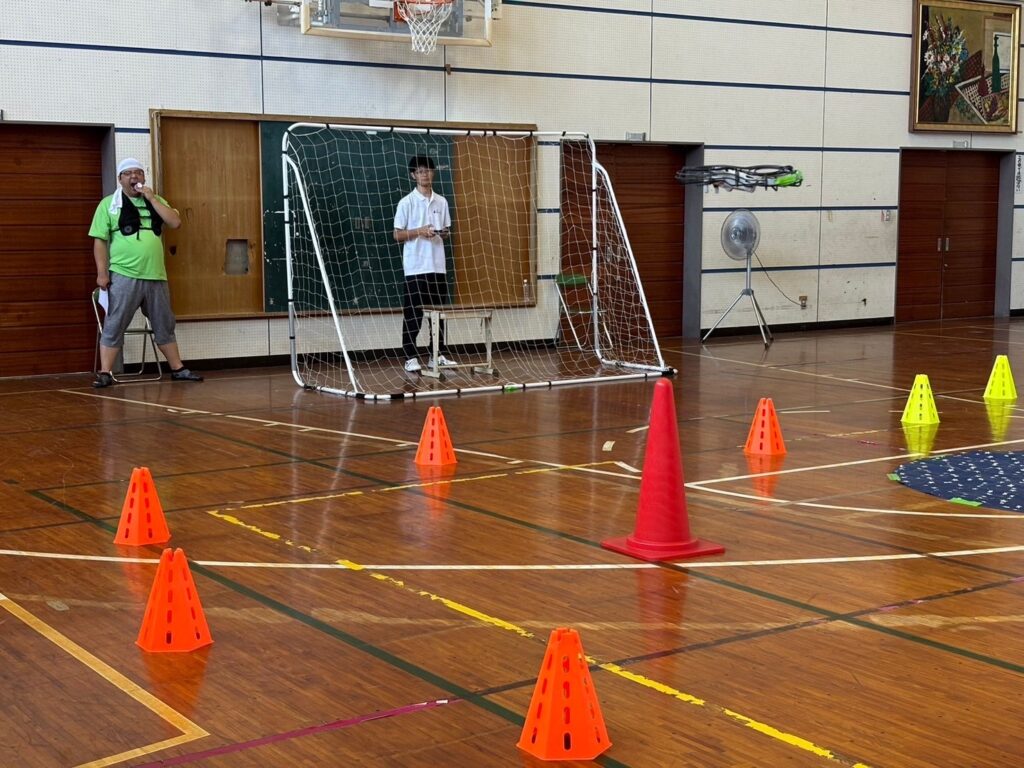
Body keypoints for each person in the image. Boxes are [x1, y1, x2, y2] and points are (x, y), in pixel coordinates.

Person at [89, 158, 203, 388]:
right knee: (115, 322)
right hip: (123, 274)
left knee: (164, 322)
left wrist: (152, 198)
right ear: (120, 179)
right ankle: (104, 373)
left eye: (139, 173)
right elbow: (100, 241)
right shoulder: (109, 204)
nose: (135, 177)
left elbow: (175, 222)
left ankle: (178, 369)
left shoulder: (156, 201)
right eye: (129, 173)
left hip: (156, 276)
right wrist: (102, 273)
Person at [393, 155, 457, 373]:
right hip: (415, 267)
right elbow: (397, 234)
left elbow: (447, 232)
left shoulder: (442, 201)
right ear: (413, 175)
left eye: (429, 170)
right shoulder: (406, 202)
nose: (425, 174)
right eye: (420, 171)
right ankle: (410, 356)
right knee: (414, 314)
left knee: (437, 314)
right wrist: (420, 231)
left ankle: (436, 355)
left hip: (437, 266)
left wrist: (441, 233)